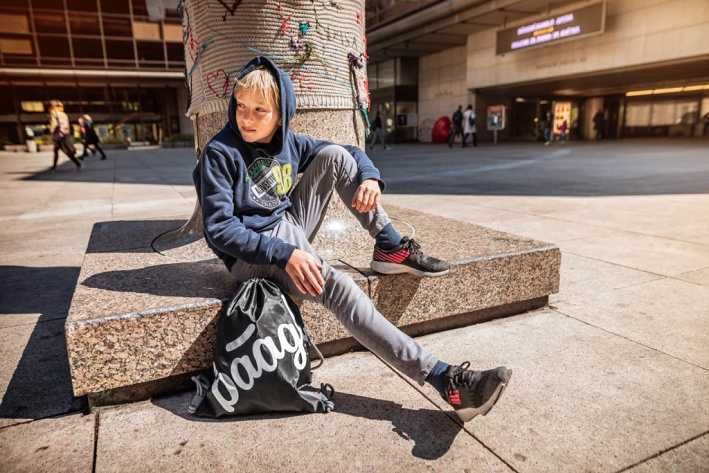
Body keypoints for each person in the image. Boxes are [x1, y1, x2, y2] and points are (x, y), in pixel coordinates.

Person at [193, 57, 512, 422]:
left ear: (281, 115)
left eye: (259, 111)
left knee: (336, 156)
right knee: (341, 290)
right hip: (251, 256)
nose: (246, 119)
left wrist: (370, 178)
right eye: (241, 107)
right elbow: (220, 229)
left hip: (286, 227)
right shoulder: (220, 153)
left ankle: (389, 244)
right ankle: (443, 378)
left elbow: (351, 153)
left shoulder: (289, 143)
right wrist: (285, 254)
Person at [48, 100, 81, 171]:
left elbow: (54, 124)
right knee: (58, 150)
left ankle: (77, 163)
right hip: (64, 134)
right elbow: (67, 125)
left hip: (58, 135)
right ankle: (54, 166)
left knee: (62, 151)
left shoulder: (53, 113)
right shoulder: (64, 114)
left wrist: (51, 131)